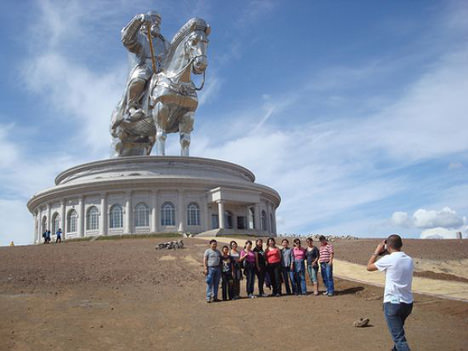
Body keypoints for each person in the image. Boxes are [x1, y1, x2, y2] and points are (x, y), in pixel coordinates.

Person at [112, 11, 170, 127]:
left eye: (159, 21)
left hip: (162, 70)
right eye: (154, 20)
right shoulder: (141, 36)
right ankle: (132, 106)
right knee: (139, 78)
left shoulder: (165, 42)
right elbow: (126, 39)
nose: (157, 23)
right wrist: (138, 20)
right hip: (145, 66)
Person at [367, 234, 414, 351]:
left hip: (393, 303)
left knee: (399, 339)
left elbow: (369, 267)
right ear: (401, 245)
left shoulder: (388, 259)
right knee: (398, 332)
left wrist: (377, 251)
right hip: (407, 303)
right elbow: (395, 259)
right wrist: (387, 250)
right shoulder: (409, 260)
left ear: (387, 245)